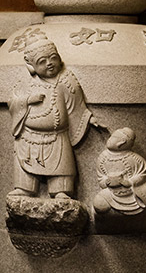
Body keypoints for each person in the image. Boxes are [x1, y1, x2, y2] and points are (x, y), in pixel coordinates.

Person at [7, 32, 101, 199]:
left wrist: (87, 117)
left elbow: (76, 103)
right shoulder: (27, 82)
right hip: (29, 136)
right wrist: (28, 100)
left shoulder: (65, 80)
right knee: (24, 162)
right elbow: (13, 101)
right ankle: (25, 187)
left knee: (62, 167)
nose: (49, 64)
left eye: (53, 58)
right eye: (42, 62)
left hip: (58, 137)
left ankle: (61, 190)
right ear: (31, 66)